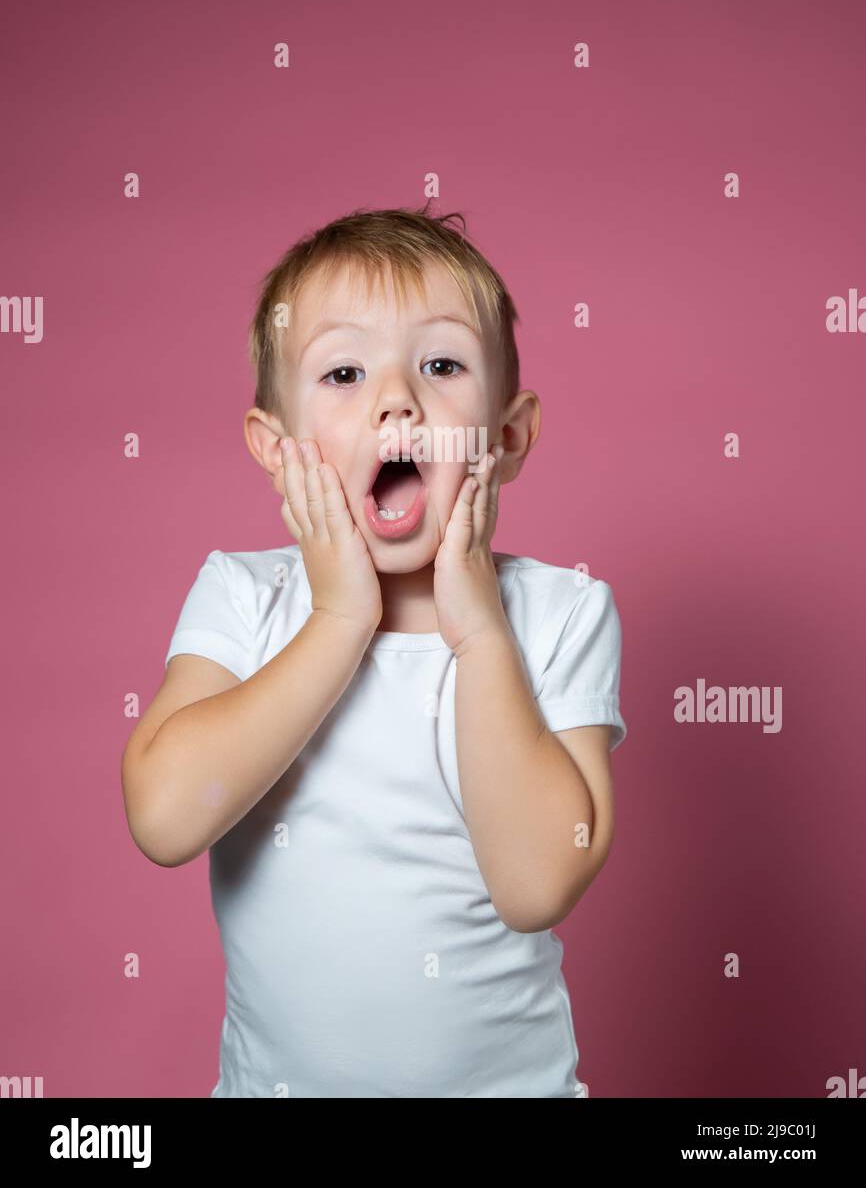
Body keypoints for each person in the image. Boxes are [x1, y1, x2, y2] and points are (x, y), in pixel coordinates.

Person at [120, 204, 627, 1098]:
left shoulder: (558, 613)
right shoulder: (247, 598)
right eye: (345, 372)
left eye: (440, 364)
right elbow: (164, 818)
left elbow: (538, 883)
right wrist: (338, 620)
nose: (397, 399)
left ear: (506, 439)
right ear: (278, 453)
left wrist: (478, 632)